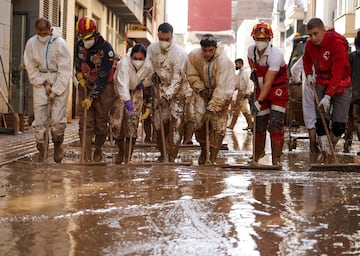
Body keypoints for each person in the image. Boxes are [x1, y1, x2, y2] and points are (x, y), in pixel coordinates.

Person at [302, 18, 351, 159]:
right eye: (310, 35)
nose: (313, 38)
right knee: (321, 121)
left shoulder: (337, 45)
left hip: (340, 83)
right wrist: (309, 74)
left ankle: (330, 147)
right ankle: (325, 153)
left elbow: (338, 73)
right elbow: (306, 60)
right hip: (321, 82)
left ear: (324, 30)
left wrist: (328, 96)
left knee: (340, 125)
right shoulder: (310, 44)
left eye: (316, 34)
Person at [24, 18, 71, 163]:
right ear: (36, 31)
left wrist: (55, 90)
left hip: (58, 79)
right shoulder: (31, 43)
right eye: (40, 33)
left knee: (57, 119)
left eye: (45, 33)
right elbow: (30, 66)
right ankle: (42, 149)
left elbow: (65, 69)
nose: (42, 36)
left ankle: (58, 145)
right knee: (39, 120)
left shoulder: (60, 44)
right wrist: (42, 82)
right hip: (40, 81)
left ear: (50, 31)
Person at [187, 34, 235, 164]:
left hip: (221, 94)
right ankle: (204, 150)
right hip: (202, 92)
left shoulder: (224, 62)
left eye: (210, 50)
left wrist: (213, 108)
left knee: (218, 126)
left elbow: (224, 88)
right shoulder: (194, 56)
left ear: (215, 48)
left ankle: (213, 157)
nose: (207, 54)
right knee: (199, 122)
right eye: (204, 50)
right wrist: (201, 88)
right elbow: (191, 74)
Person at [247, 21, 289, 166]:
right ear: (254, 39)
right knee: (259, 123)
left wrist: (258, 102)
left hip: (277, 90)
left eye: (263, 39)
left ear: (269, 40)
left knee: (276, 123)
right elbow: (250, 60)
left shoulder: (275, 55)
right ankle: (257, 155)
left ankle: (276, 159)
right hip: (260, 88)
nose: (260, 42)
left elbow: (268, 82)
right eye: (258, 39)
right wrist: (253, 69)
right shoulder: (251, 50)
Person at [146, 22, 189, 162]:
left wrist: (167, 96)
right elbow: (148, 66)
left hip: (177, 93)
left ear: (171, 36)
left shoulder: (179, 53)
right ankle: (162, 152)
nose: (164, 42)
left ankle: (171, 155)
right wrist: (151, 75)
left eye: (167, 39)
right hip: (159, 90)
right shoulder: (152, 48)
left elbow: (178, 79)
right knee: (159, 124)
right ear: (158, 35)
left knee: (176, 125)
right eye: (161, 39)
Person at [74, 16, 115, 162]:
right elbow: (77, 64)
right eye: (82, 37)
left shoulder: (106, 49)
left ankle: (98, 149)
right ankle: (85, 155)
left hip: (104, 87)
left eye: (88, 37)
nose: (86, 41)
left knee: (101, 123)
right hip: (85, 83)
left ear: (95, 33)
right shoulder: (79, 45)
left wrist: (92, 97)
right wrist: (79, 76)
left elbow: (103, 78)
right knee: (85, 122)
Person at [113, 43, 152, 163]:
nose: (137, 61)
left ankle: (128, 155)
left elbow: (152, 76)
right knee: (117, 123)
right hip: (120, 90)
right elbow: (122, 85)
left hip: (136, 90)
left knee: (133, 123)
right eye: (135, 58)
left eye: (140, 59)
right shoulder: (123, 64)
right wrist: (127, 102)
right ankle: (121, 149)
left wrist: (144, 84)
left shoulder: (148, 64)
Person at [290, 56, 319, 153]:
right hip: (325, 85)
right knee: (324, 114)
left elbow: (294, 70)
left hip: (309, 85)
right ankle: (324, 147)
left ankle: (313, 144)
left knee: (310, 115)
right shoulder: (329, 50)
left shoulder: (307, 54)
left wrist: (296, 80)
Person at [344, 31, 360, 153]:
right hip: (354, 94)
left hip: (354, 95)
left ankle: (347, 142)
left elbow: (345, 74)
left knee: (352, 119)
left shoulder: (352, 57)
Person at [228, 58, 253, 131]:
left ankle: (233, 125)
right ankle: (250, 125)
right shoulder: (240, 73)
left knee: (241, 109)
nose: (235, 66)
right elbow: (238, 84)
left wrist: (248, 93)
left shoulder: (245, 72)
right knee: (241, 110)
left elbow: (249, 83)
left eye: (236, 64)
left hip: (243, 93)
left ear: (240, 64)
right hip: (240, 92)